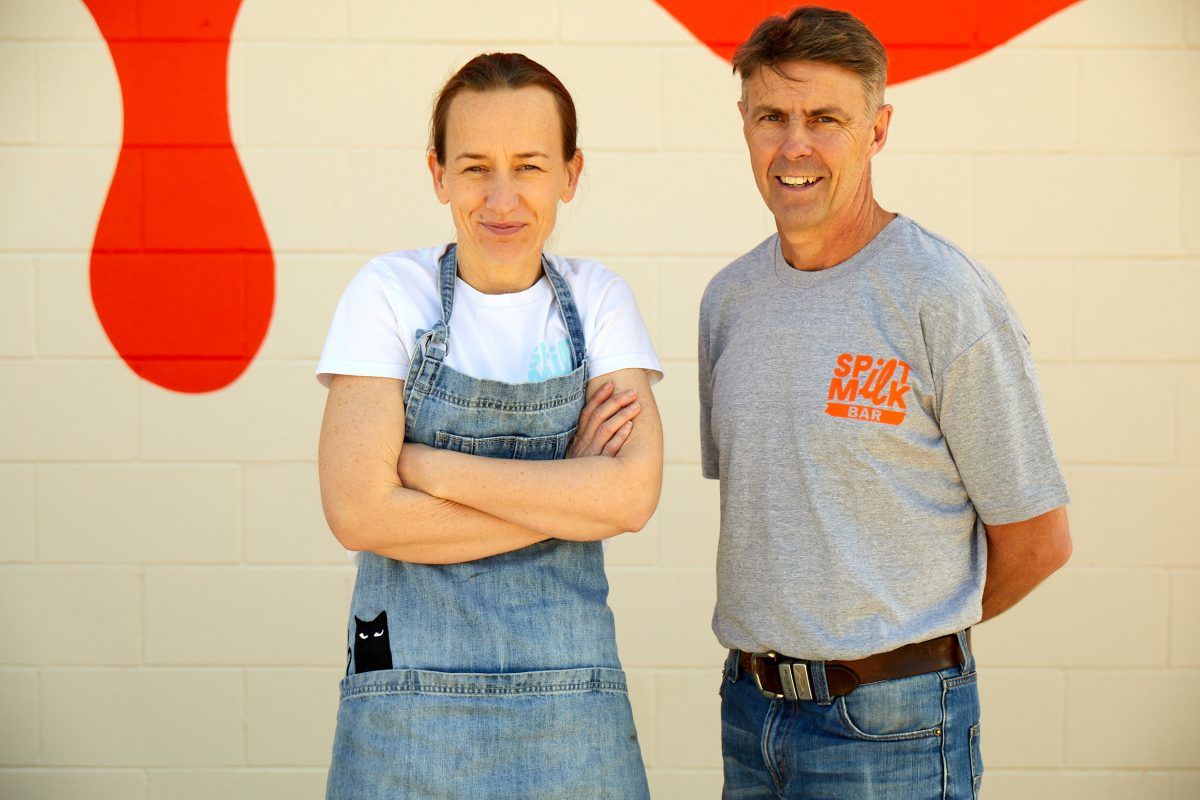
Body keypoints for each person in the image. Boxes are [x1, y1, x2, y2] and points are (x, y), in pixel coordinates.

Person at [698, 7, 1072, 798]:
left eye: (826, 118)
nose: (794, 146)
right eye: (773, 116)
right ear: (744, 124)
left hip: (891, 726)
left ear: (878, 128)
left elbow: (1038, 538)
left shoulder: (942, 296)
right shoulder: (728, 301)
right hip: (749, 713)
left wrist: (899, 647)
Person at [316, 52, 662, 799]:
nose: (501, 198)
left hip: (573, 710)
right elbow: (357, 513)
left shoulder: (598, 300)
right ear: (437, 174)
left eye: (529, 166)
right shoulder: (387, 294)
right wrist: (568, 493)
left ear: (571, 175)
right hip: (405, 702)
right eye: (475, 167)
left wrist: (425, 467)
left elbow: (631, 499)